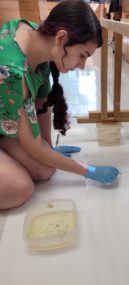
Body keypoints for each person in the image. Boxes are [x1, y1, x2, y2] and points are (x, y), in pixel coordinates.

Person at [0, 0, 119, 209]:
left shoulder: (38, 39)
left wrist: (50, 148)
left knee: (45, 169)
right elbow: (35, 148)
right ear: (62, 38)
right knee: (20, 188)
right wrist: (88, 171)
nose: (82, 66)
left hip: (6, 120)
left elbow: (41, 101)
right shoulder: (12, 70)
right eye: (82, 55)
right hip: (5, 119)